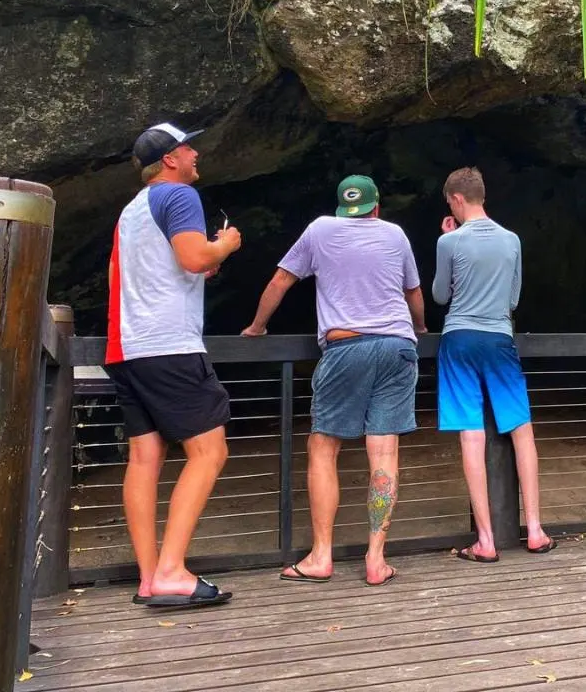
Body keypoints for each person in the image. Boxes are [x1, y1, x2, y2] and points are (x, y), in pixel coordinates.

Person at [242, 175, 425, 586]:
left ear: (344, 207)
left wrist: (256, 328)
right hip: (397, 346)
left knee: (324, 447)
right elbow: (413, 292)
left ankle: (321, 556)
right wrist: (421, 327)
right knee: (384, 453)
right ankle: (376, 560)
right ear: (377, 208)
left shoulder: (320, 229)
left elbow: (280, 281)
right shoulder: (395, 235)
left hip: (346, 349)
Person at [105, 122, 242, 608]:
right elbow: (191, 257)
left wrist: (207, 260)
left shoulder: (130, 212)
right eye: (188, 147)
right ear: (170, 160)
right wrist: (224, 244)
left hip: (127, 348)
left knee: (144, 460)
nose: (196, 152)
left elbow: (143, 272)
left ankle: (149, 577)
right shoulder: (179, 196)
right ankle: (171, 571)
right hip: (170, 347)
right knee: (209, 452)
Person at [432, 167, 555, 561]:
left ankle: (485, 541)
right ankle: (534, 530)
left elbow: (439, 295)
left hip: (459, 339)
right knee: (522, 431)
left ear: (456, 199)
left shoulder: (449, 242)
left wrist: (447, 239)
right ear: (482, 196)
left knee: (471, 435)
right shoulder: (512, 240)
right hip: (500, 337)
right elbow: (513, 299)